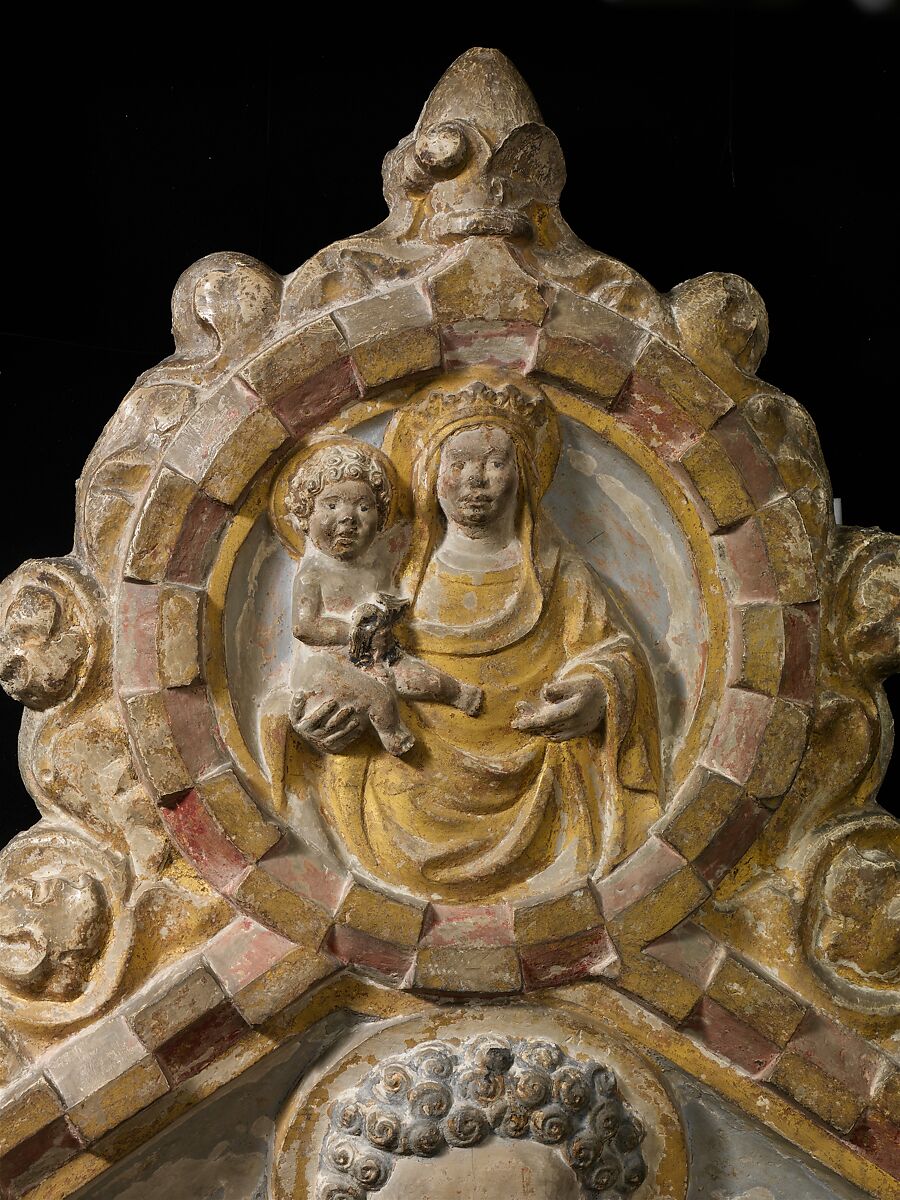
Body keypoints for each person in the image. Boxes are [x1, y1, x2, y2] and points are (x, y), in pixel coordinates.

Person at [290, 377, 660, 900]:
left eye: (492, 464)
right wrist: (312, 717)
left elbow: (613, 652)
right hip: (398, 796)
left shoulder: (555, 573)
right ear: (429, 473)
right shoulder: (388, 562)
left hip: (537, 789)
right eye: (458, 463)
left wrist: (597, 692)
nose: (474, 481)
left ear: (523, 473)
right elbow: (321, 650)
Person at [286, 442, 482, 758]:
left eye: (363, 508)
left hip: (377, 651)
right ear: (304, 516)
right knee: (379, 696)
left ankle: (459, 694)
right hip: (325, 664)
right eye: (332, 505)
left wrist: (382, 612)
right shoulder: (313, 572)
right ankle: (393, 734)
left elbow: (411, 540)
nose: (348, 518)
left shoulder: (377, 561)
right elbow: (303, 626)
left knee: (418, 676)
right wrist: (352, 629)